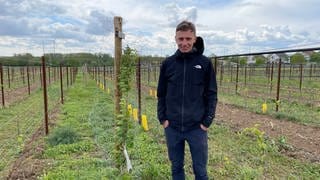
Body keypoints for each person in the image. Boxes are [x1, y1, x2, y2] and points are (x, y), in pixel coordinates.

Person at [157, 20, 218, 180]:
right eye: (181, 39)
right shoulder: (168, 64)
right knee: (176, 167)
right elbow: (161, 93)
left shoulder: (204, 63)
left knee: (200, 170)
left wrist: (207, 121)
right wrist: (163, 119)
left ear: (195, 39)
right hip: (173, 127)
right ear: (175, 39)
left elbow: (212, 94)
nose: (184, 43)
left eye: (188, 39)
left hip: (197, 128)